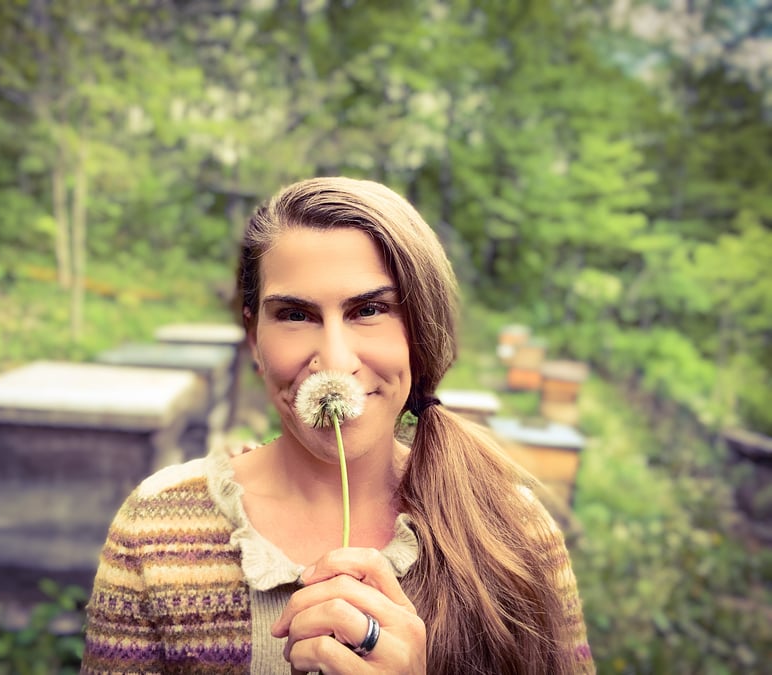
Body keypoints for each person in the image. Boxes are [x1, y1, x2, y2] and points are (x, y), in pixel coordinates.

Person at [81, 177, 594, 674]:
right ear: (253, 336)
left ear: (421, 328)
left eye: (369, 310)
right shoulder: (156, 529)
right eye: (296, 315)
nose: (333, 360)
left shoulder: (515, 533)